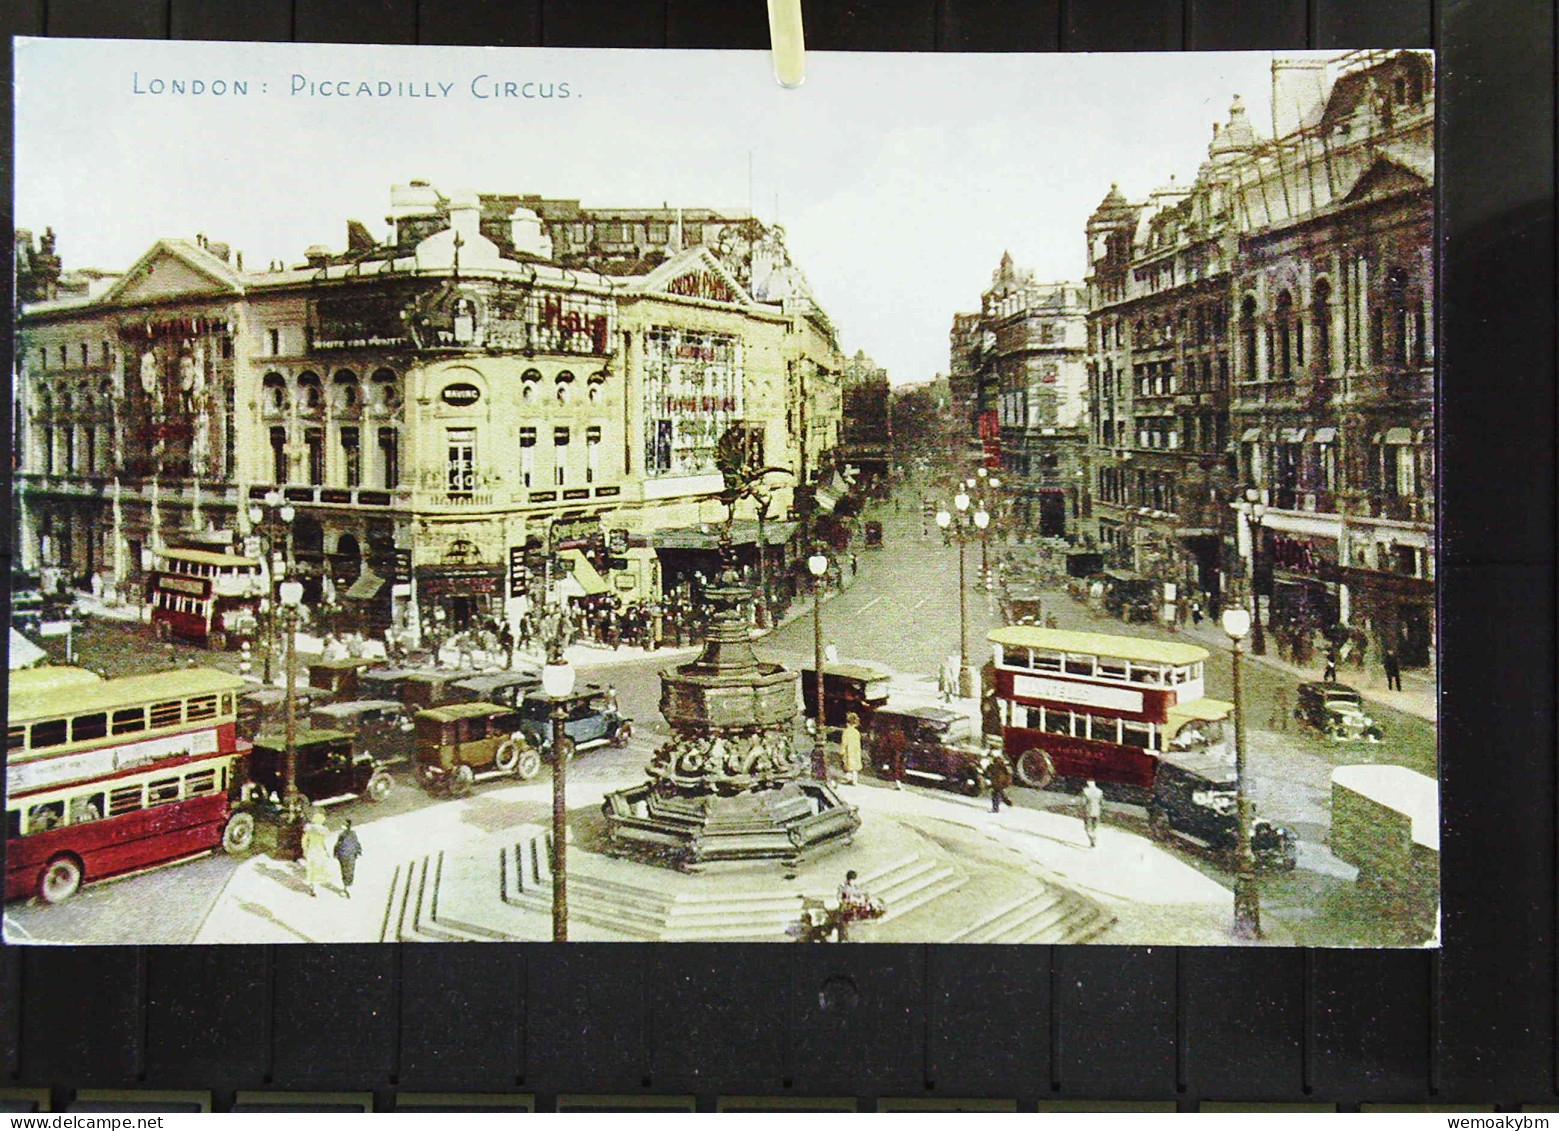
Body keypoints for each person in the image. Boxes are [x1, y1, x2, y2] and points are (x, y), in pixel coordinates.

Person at [301, 807, 332, 897]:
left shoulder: (308, 831)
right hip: (320, 851)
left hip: (311, 850)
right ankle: (316, 887)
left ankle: (312, 887)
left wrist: (304, 851)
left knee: (311, 869)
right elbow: (323, 842)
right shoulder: (322, 832)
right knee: (319, 869)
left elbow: (304, 842)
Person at [333, 818, 363, 899]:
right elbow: (356, 844)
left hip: (343, 855)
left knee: (345, 870)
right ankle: (349, 886)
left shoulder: (342, 835)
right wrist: (358, 851)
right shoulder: (353, 834)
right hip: (351, 855)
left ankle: (346, 887)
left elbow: (338, 845)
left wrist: (335, 853)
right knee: (350, 869)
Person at [839, 712, 863, 786]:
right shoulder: (857, 732)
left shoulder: (846, 732)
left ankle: (849, 779)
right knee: (854, 767)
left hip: (848, 751)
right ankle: (855, 780)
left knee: (847, 766)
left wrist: (842, 751)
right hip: (855, 751)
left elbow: (844, 742)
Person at [1081, 779, 1104, 847]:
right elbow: (1102, 803)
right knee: (1094, 827)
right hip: (1097, 811)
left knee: (1087, 828)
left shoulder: (1085, 791)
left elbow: (1083, 802)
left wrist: (1081, 810)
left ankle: (1093, 839)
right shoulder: (1099, 791)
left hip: (1088, 811)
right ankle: (1093, 840)